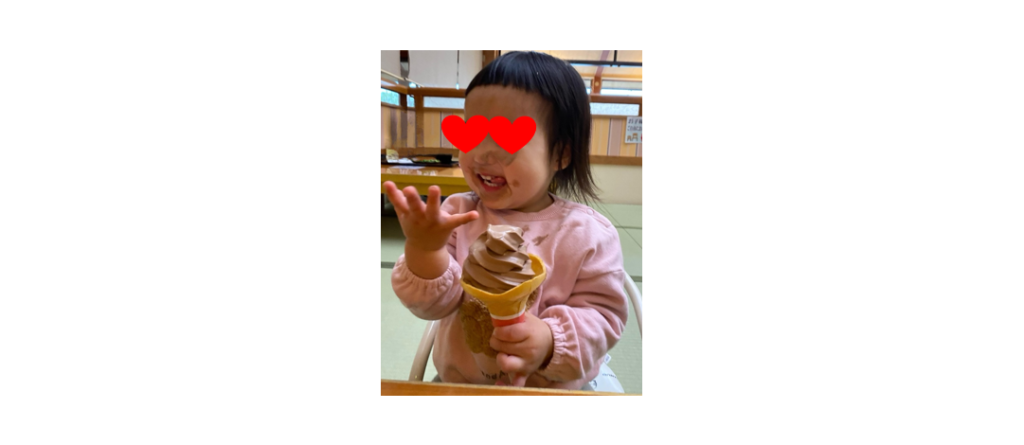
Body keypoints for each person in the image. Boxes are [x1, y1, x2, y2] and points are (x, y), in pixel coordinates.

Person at [383, 51, 628, 390]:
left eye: (504, 136)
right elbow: (431, 306)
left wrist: (550, 340)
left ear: (561, 154)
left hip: (553, 389)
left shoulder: (588, 235)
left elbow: (604, 317)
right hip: (462, 384)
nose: (482, 153)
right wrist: (425, 250)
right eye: (472, 133)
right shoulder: (457, 214)